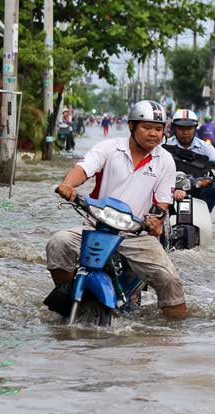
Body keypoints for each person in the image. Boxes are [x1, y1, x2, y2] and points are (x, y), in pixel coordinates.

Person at [45, 100, 187, 320]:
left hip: (136, 234)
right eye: (147, 127)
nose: (153, 134)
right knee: (58, 243)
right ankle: (69, 293)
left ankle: (176, 334)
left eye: (158, 129)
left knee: (169, 280)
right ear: (131, 126)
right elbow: (83, 169)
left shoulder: (165, 160)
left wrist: (156, 220)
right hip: (96, 227)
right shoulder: (109, 148)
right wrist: (68, 185)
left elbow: (162, 202)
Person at [164, 109, 215, 212]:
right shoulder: (165, 147)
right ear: (174, 128)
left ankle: (204, 214)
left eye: (189, 128)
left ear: (195, 128)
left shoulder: (205, 147)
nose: (185, 132)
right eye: (181, 128)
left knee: (213, 187)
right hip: (169, 188)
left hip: (197, 187)